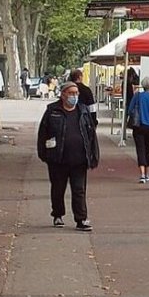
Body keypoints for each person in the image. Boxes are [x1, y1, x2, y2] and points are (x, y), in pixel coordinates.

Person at [37, 82, 99, 232]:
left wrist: (93, 155)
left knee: (79, 190)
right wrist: (44, 154)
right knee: (58, 188)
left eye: (76, 93)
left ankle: (81, 219)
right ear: (63, 94)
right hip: (58, 159)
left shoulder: (83, 111)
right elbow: (43, 134)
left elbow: (91, 134)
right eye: (71, 93)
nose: (74, 96)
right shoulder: (52, 111)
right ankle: (58, 214)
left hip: (79, 160)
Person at [127, 76, 149, 183]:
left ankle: (141, 174)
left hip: (138, 126)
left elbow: (130, 110)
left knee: (140, 149)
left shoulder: (137, 96)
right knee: (147, 150)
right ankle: (147, 173)